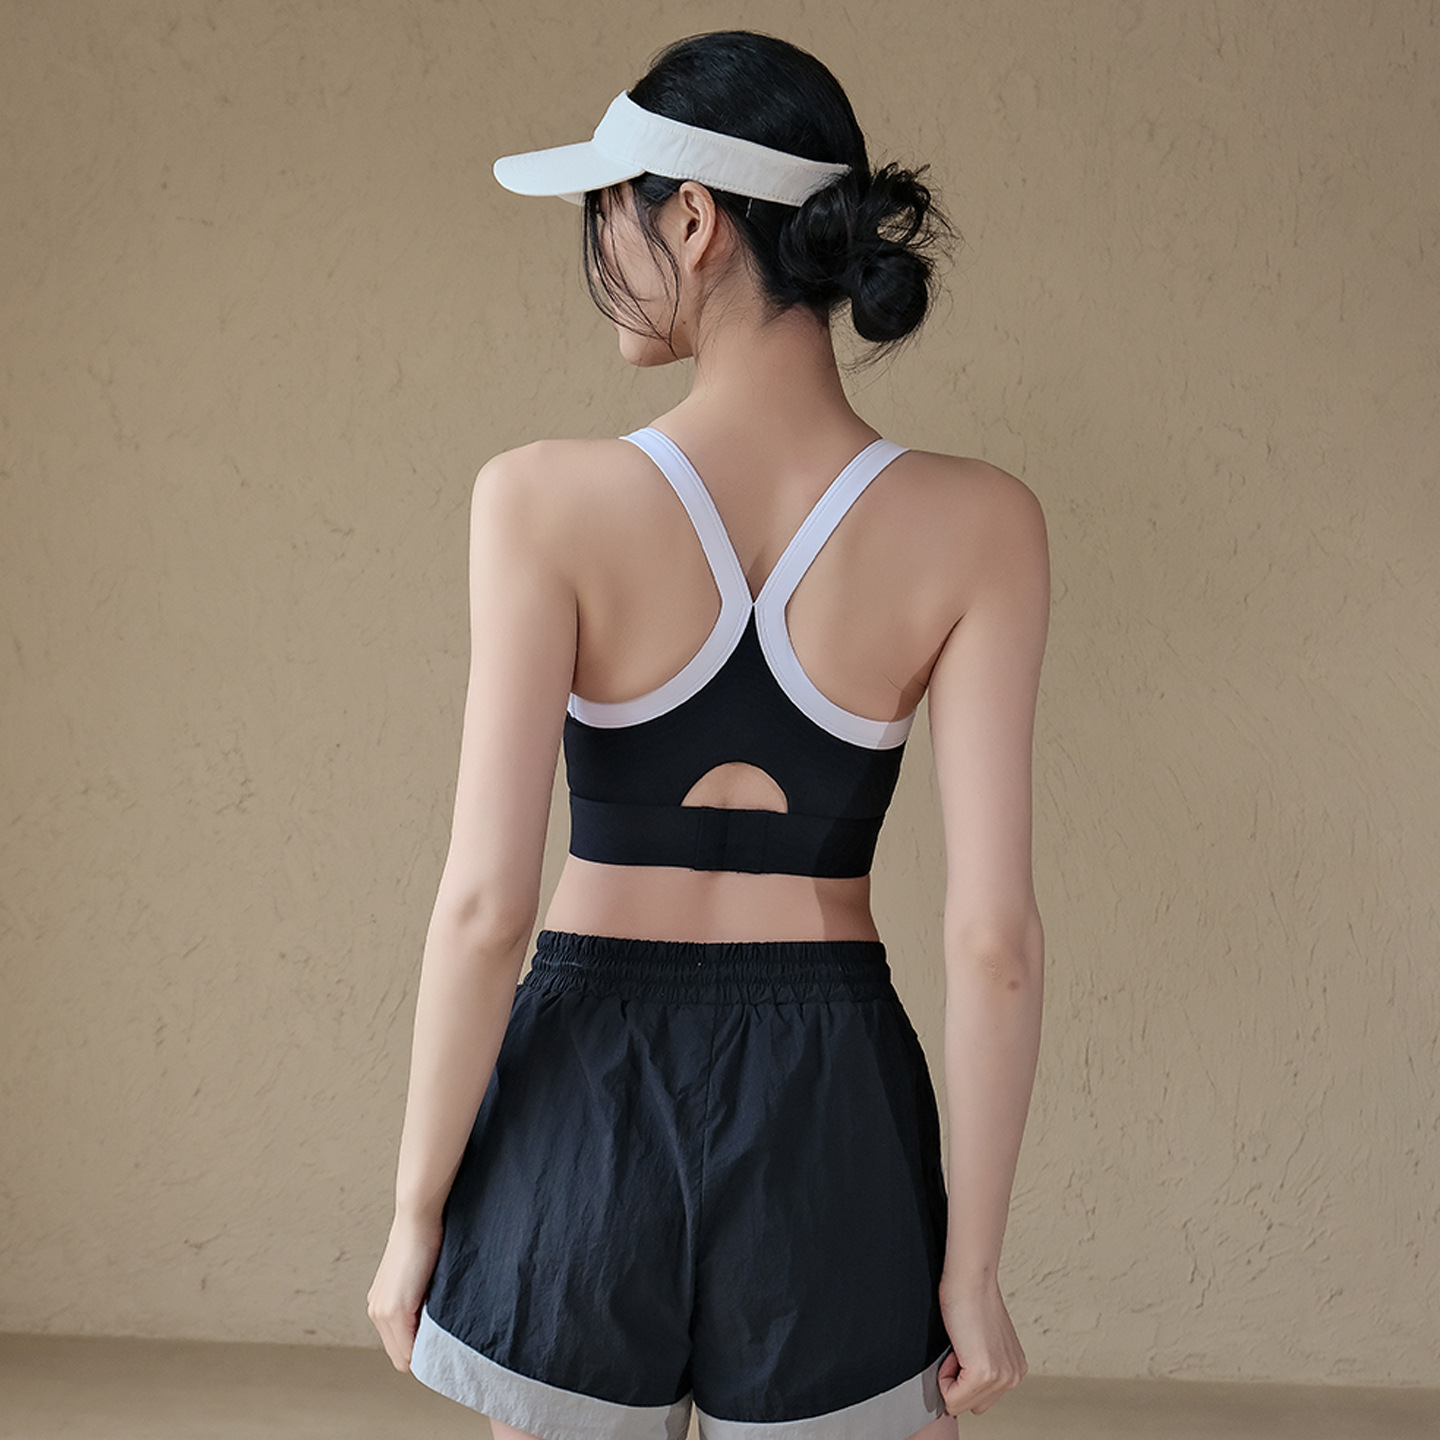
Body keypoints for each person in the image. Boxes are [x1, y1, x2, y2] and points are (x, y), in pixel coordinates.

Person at [367, 29, 1048, 1440]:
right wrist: (973, 1269)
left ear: (690, 218)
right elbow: (993, 940)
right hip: (832, 1097)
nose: (595, 249)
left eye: (603, 210)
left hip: (583, 1087)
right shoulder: (982, 523)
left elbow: (487, 907)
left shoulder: (538, 500)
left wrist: (416, 1210)